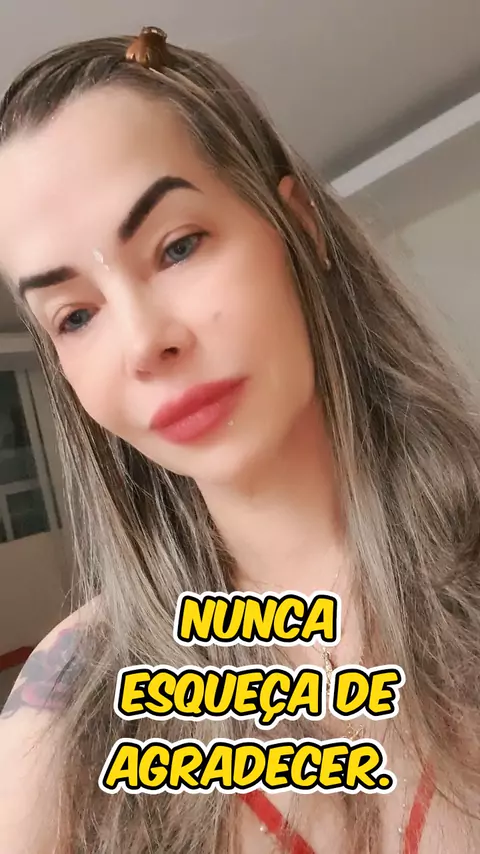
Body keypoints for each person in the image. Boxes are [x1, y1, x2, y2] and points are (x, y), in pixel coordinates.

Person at [0, 24, 478, 854]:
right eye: (74, 316)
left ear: (300, 227)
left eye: (178, 246)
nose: (144, 342)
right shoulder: (74, 693)